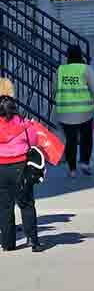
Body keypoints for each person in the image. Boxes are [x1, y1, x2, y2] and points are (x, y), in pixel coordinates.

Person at [0, 96, 42, 252]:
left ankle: (8, 243)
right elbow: (34, 142)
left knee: (5, 207)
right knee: (27, 204)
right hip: (21, 167)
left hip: (1, 168)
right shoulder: (25, 125)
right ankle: (33, 240)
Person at [54, 44, 94, 178]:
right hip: (85, 111)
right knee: (86, 137)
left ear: (67, 56)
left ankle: (72, 168)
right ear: (80, 55)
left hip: (65, 112)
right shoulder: (86, 69)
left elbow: (54, 88)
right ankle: (85, 162)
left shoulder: (61, 70)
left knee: (71, 140)